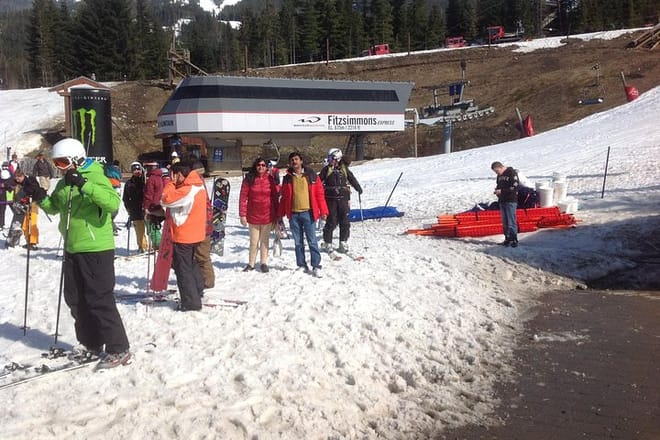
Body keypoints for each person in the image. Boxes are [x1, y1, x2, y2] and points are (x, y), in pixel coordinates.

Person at [25, 138, 130, 369]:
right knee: (75, 299)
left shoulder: (95, 176)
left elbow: (112, 204)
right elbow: (55, 207)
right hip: (72, 247)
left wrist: (84, 184)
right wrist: (39, 195)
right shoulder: (65, 182)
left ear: (76, 159)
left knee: (99, 298)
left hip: (96, 248)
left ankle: (119, 347)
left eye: (62, 162)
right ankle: (91, 343)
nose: (60, 168)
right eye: (56, 163)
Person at [161, 159, 208, 311]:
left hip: (184, 234)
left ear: (180, 174)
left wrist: (170, 183)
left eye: (174, 174)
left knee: (183, 269)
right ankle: (197, 289)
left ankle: (191, 303)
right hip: (195, 233)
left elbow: (165, 199)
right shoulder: (198, 185)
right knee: (190, 264)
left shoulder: (188, 190)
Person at [277, 151, 328, 277]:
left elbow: (319, 194)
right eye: (292, 160)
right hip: (294, 214)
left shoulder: (311, 175)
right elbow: (284, 197)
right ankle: (301, 264)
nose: (294, 162)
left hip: (308, 213)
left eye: (296, 159)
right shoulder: (287, 178)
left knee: (312, 241)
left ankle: (316, 265)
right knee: (298, 242)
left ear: (301, 161)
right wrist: (280, 214)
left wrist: (323, 211)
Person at [239, 157, 279, 272]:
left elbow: (275, 198)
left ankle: (263, 263)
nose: (261, 167)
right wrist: (242, 214)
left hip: (267, 215)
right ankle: (251, 263)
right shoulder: (249, 179)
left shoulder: (270, 179)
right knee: (253, 242)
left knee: (264, 241)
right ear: (255, 166)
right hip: (253, 216)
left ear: (266, 167)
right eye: (259, 165)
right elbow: (243, 198)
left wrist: (278, 215)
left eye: (263, 165)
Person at [319, 148, 363, 254]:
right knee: (331, 221)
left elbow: (351, 178)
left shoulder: (344, 169)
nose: (329, 160)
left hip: (343, 199)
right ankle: (328, 242)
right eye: (329, 158)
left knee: (345, 221)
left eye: (331, 158)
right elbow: (318, 180)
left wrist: (358, 188)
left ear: (337, 158)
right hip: (330, 199)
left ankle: (343, 241)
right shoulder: (326, 169)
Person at [192, 160, 215, 288]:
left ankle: (208, 281)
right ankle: (203, 278)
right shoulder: (199, 182)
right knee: (200, 255)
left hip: (203, 224)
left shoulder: (196, 184)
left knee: (202, 255)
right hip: (203, 223)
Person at [491, 161, 520, 247]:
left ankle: (514, 239)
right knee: (505, 221)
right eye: (495, 172)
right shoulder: (499, 176)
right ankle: (507, 238)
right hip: (502, 200)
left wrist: (502, 191)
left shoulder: (511, 173)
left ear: (501, 167)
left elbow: (515, 186)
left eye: (497, 171)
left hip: (510, 200)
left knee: (511, 220)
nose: (497, 173)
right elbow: (498, 185)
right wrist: (497, 191)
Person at [122, 162, 148, 253]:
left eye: (138, 169)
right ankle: (142, 246)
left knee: (151, 229)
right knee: (139, 230)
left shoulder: (145, 181)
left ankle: (157, 245)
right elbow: (125, 198)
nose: (137, 171)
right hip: (135, 209)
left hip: (146, 207)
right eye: (135, 170)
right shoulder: (129, 183)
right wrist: (128, 208)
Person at [13, 169, 40, 250]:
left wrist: (27, 194)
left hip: (33, 204)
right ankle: (28, 241)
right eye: (16, 178)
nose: (17, 180)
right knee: (24, 225)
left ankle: (33, 242)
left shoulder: (30, 181)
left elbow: (35, 190)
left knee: (32, 224)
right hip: (23, 206)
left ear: (22, 176)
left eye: (18, 178)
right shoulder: (17, 184)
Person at [143, 162, 166, 249]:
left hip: (152, 206)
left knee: (151, 227)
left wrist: (146, 207)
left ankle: (158, 245)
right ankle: (158, 244)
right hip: (158, 205)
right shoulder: (160, 177)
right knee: (155, 226)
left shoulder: (151, 179)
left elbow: (148, 195)